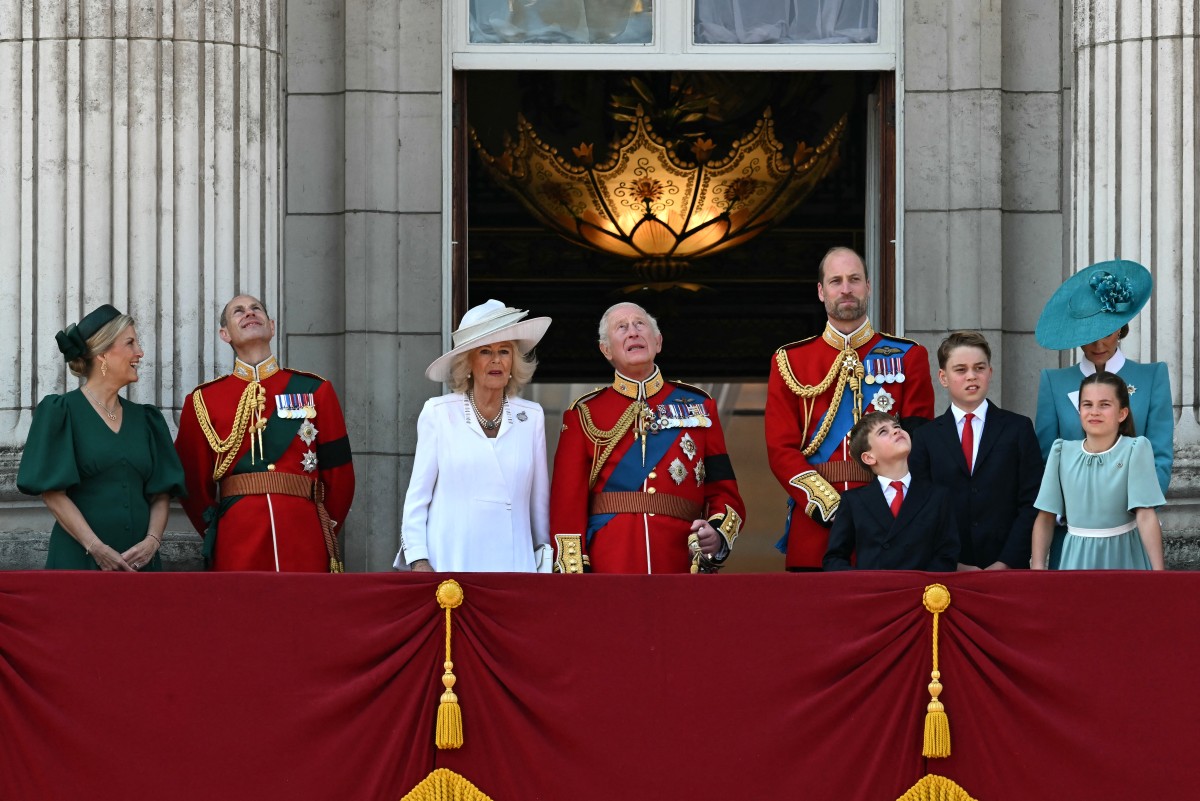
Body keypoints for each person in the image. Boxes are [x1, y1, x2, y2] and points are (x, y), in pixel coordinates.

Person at [766, 246, 935, 571]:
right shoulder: (789, 361)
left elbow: (919, 447)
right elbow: (780, 449)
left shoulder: (908, 356)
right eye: (836, 281)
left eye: (854, 279)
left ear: (868, 287)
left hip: (889, 525)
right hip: (815, 530)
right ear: (821, 291)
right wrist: (827, 506)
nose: (846, 289)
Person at [550, 302, 745, 574]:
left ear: (658, 341)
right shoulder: (584, 414)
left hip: (679, 561)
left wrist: (716, 531)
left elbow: (724, 489)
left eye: (640, 324)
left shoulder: (701, 406)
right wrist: (573, 573)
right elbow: (566, 504)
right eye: (621, 327)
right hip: (610, 562)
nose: (633, 332)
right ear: (605, 350)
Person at [175, 294, 355, 572]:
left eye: (256, 308)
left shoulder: (315, 390)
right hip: (237, 535)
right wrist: (219, 528)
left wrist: (321, 526)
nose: (249, 313)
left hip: (303, 533)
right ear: (224, 334)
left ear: (271, 326)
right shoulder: (203, 400)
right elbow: (194, 483)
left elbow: (340, 473)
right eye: (239, 311)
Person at [17, 304, 185, 571]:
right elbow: (53, 493)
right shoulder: (61, 412)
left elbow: (161, 494)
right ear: (103, 353)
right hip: (79, 561)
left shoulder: (147, 420)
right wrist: (96, 547)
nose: (139, 352)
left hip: (140, 567)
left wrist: (153, 541)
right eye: (130, 343)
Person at [394, 299, 552, 573]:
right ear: (467, 362)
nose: (496, 360)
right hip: (451, 563)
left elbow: (538, 505)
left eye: (504, 351)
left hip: (515, 567)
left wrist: (544, 561)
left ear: (513, 361)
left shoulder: (532, 417)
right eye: (485, 352)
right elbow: (417, 499)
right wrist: (419, 561)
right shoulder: (439, 413)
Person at [1034, 259, 1173, 567]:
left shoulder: (1152, 377)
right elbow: (1046, 458)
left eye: (1107, 331)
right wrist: (1066, 510)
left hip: (1133, 532)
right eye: (1089, 333)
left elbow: (1161, 456)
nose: (1098, 343)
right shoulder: (1053, 382)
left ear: (1121, 328)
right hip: (1072, 534)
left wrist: (1139, 508)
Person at [909, 331, 1043, 570]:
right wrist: (954, 564)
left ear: (990, 372)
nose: (972, 376)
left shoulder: (1018, 428)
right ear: (943, 377)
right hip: (947, 570)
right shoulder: (924, 437)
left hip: (1008, 568)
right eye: (960, 370)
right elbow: (920, 510)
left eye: (979, 368)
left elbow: (1032, 501)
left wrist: (1006, 562)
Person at [1031, 371, 1165, 570]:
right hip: (1075, 560)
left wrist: (1159, 573)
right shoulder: (1061, 453)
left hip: (1124, 557)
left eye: (1104, 404)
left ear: (1122, 413)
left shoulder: (1135, 449)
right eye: (1087, 404)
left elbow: (1145, 515)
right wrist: (1038, 567)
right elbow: (1045, 517)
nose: (1094, 411)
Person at [823, 411, 958, 571]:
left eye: (897, 426)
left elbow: (947, 555)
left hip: (921, 592)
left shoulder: (937, 496)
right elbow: (835, 559)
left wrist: (920, 583)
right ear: (869, 458)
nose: (896, 430)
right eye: (883, 432)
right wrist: (864, 582)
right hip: (874, 592)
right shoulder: (853, 501)